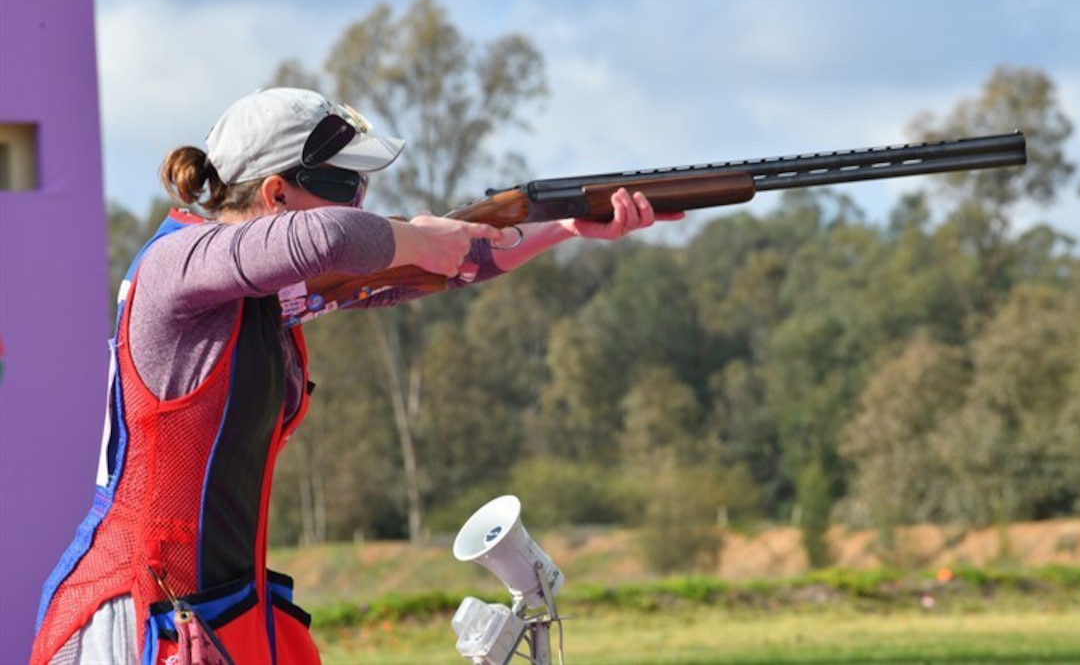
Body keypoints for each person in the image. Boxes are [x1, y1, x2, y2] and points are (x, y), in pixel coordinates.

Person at [31, 87, 673, 665]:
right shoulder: (177, 266)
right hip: (138, 614)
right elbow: (333, 240)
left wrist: (566, 226)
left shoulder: (260, 292)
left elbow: (439, 267)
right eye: (345, 185)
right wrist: (414, 238)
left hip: (215, 610)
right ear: (276, 194)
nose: (363, 202)